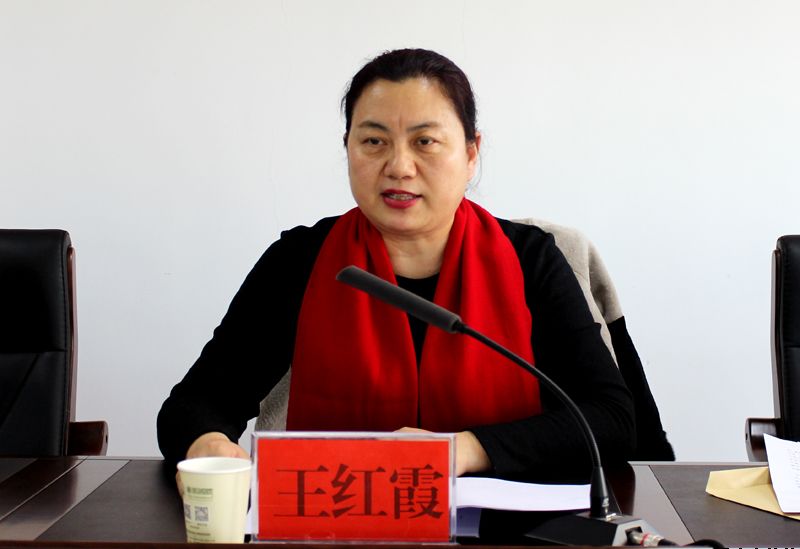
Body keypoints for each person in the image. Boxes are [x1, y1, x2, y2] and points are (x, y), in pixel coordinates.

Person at [157, 48, 635, 481]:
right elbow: (196, 404)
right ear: (348, 148)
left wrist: (463, 450)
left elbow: (611, 418)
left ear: (471, 154)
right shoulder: (300, 260)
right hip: (340, 521)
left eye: (425, 142)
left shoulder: (530, 259)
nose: (399, 166)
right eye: (374, 141)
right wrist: (209, 445)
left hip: (508, 528)